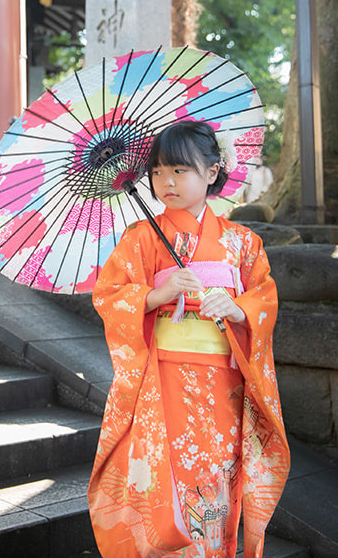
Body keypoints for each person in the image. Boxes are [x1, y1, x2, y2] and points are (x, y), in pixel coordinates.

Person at [87, 120, 290, 558]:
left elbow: (264, 298)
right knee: (167, 477)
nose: (166, 182)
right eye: (158, 171)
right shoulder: (141, 237)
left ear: (213, 171)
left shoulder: (243, 242)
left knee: (216, 478)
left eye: (179, 170)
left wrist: (236, 308)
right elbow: (109, 295)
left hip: (222, 385)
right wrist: (156, 295)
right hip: (163, 383)